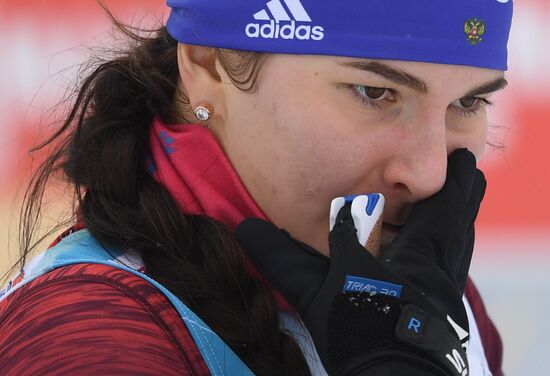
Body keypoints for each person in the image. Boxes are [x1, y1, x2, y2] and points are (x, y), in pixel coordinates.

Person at [0, 0, 512, 375]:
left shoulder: (422, 294)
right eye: (374, 92)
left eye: (468, 104)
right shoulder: (92, 333)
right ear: (207, 65)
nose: (429, 175)